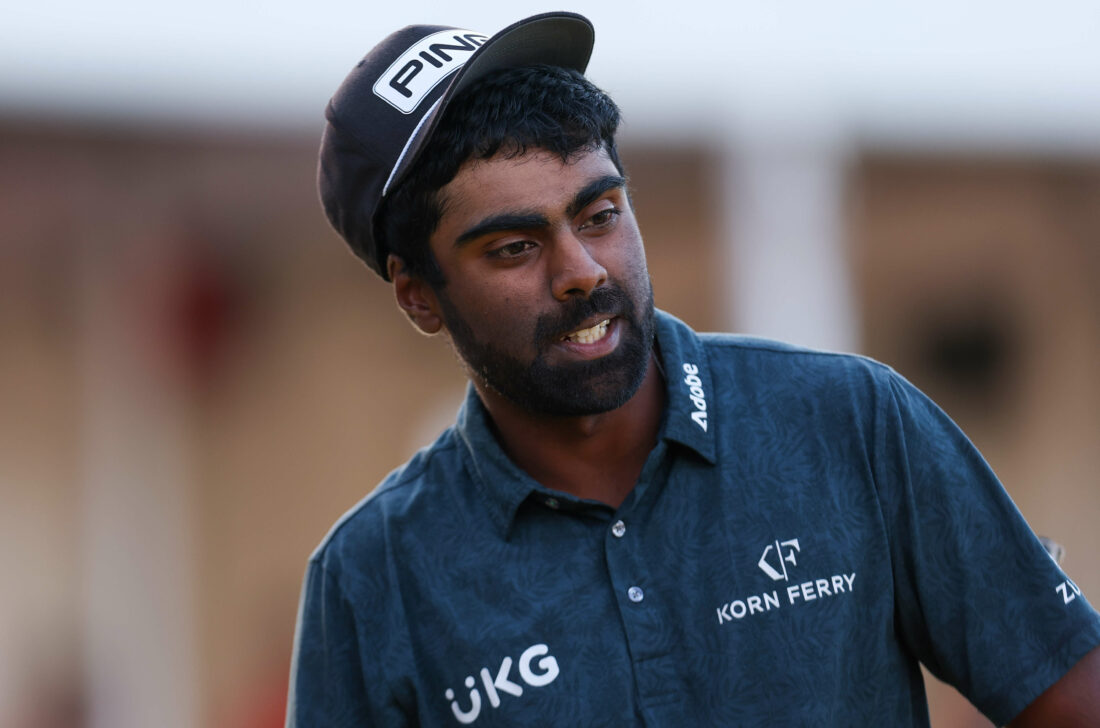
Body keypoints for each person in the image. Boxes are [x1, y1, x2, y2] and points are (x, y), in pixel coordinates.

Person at [287, 12, 1100, 726]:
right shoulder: (372, 579)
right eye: (514, 247)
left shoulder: (851, 423)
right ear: (418, 294)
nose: (582, 271)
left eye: (601, 214)